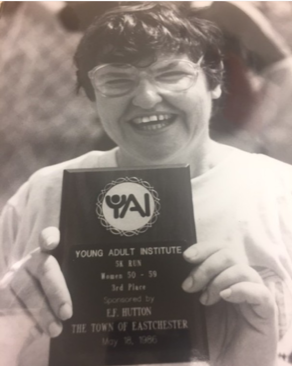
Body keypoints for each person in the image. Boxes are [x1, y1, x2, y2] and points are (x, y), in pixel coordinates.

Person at [0, 2, 292, 366]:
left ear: (213, 83)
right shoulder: (44, 194)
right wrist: (8, 329)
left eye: (171, 74)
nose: (146, 98)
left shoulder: (280, 193)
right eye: (116, 80)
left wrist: (250, 355)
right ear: (93, 96)